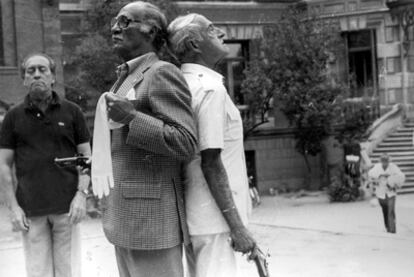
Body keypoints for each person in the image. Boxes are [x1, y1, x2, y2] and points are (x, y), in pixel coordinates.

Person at [99, 2, 197, 277]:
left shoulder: (162, 72)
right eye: (115, 22)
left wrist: (133, 118)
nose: (114, 27)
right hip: (125, 218)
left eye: (125, 21)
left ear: (151, 31)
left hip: (152, 224)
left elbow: (186, 143)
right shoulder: (126, 77)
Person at [168, 13, 256, 277]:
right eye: (211, 29)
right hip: (216, 220)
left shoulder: (181, 85)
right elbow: (211, 162)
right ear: (194, 44)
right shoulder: (209, 89)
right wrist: (237, 226)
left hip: (196, 216)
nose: (221, 33)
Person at [0, 53, 91, 277]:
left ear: (52, 77)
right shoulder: (12, 116)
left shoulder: (73, 112)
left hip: (67, 209)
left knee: (68, 272)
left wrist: (81, 196)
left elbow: (86, 158)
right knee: (37, 273)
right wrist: (14, 208)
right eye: (31, 71)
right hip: (31, 210)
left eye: (43, 70)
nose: (37, 74)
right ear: (24, 79)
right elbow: (3, 164)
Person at [368, 153, 405, 233]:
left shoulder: (393, 167)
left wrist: (393, 179)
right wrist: (380, 175)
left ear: (389, 161)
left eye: (386, 161)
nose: (385, 162)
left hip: (391, 192)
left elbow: (401, 175)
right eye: (383, 161)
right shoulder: (377, 167)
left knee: (391, 211)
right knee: (385, 211)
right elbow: (370, 174)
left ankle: (392, 229)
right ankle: (387, 226)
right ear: (381, 161)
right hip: (381, 193)